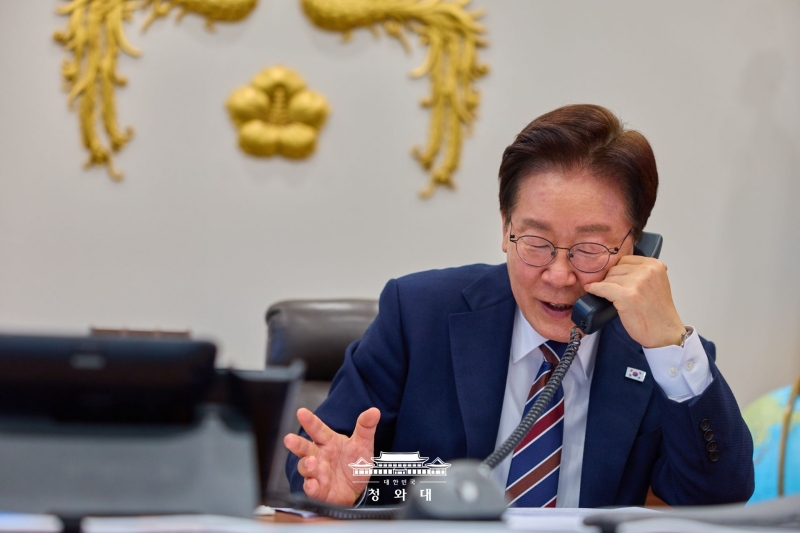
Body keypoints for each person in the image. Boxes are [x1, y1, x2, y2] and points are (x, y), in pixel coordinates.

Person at [283, 104, 755, 508]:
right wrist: (372, 482)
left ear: (637, 248)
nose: (558, 275)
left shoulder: (661, 357)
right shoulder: (419, 313)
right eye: (536, 241)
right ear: (505, 227)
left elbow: (718, 498)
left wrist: (670, 347)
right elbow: (321, 460)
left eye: (590, 249)